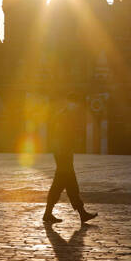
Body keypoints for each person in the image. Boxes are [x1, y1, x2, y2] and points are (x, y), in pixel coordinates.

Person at [43, 93, 97, 224]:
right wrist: (65, 150)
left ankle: (80, 213)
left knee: (69, 182)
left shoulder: (64, 114)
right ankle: (49, 213)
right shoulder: (65, 115)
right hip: (63, 153)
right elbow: (61, 134)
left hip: (63, 152)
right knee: (62, 183)